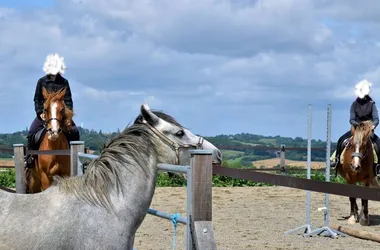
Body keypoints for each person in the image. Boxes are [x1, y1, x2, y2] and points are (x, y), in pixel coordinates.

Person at [24, 53, 80, 168]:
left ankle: (77, 160)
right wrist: (40, 113)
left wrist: (68, 118)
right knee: (32, 132)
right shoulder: (41, 81)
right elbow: (37, 99)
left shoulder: (64, 82)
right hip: (45, 114)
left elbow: (68, 100)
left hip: (61, 115)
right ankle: (30, 158)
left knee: (75, 131)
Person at [330, 79, 380, 175]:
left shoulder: (372, 105)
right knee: (341, 139)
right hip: (356, 129)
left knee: (378, 143)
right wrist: (357, 125)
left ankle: (378, 166)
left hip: (368, 130)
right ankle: (336, 160)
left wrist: (373, 125)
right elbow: (351, 119)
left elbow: (376, 118)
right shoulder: (354, 105)